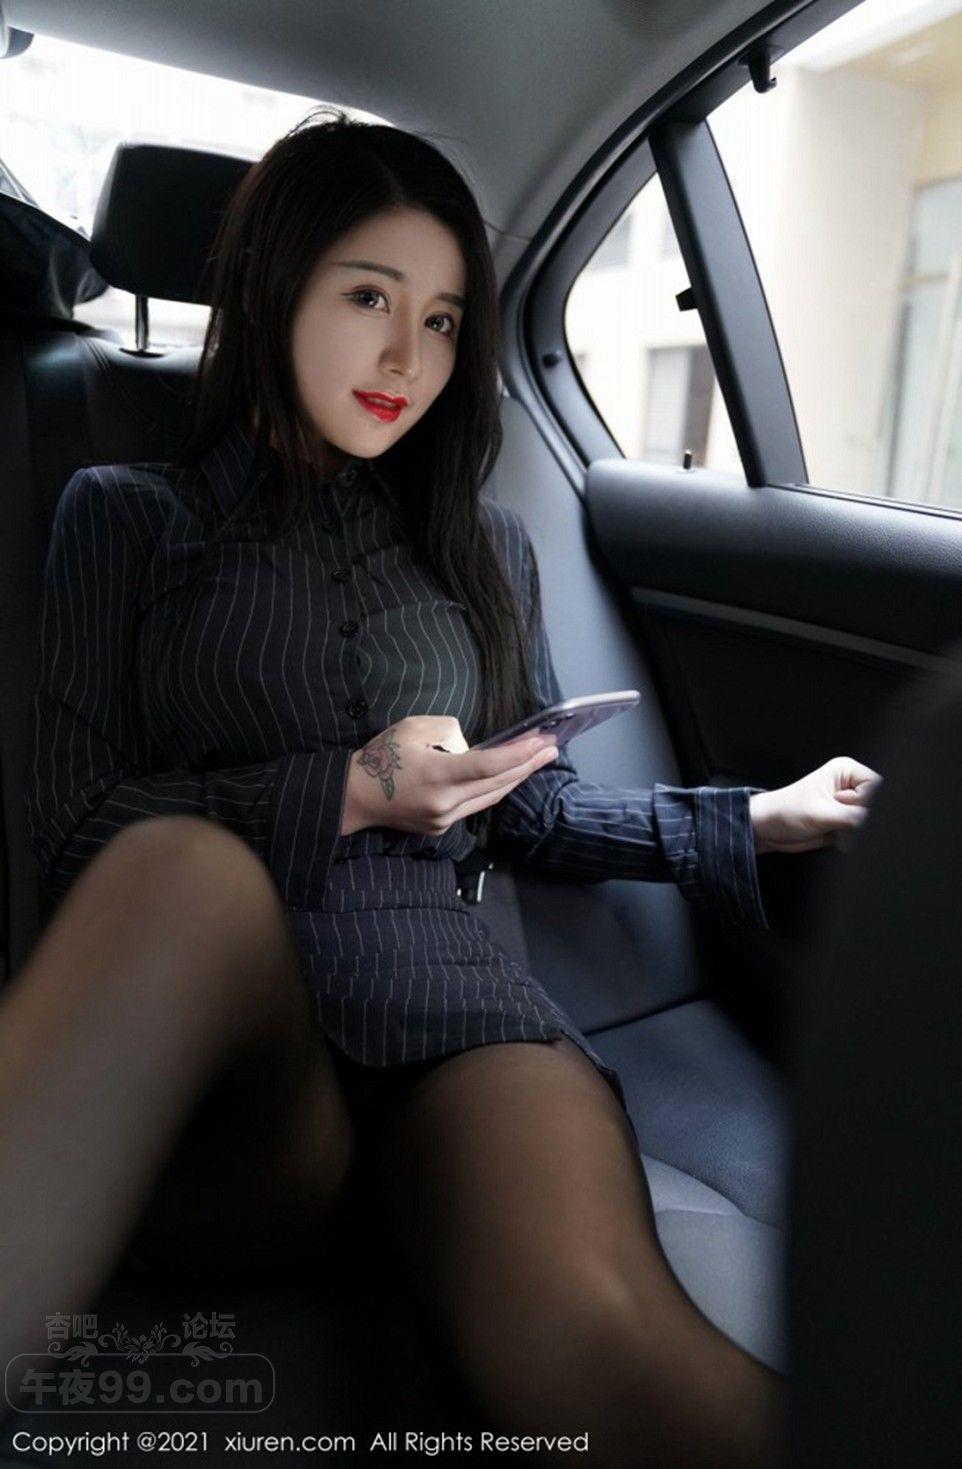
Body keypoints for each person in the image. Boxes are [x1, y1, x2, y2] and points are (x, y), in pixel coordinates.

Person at [4, 108, 880, 1465]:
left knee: (607, 1339)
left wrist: (756, 818)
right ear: (274, 288)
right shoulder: (125, 513)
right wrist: (352, 788)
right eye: (368, 298)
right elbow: (72, 830)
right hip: (245, 1071)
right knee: (183, 869)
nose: (407, 359)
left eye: (444, 318)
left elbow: (531, 809)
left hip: (452, 1019)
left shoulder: (485, 546)